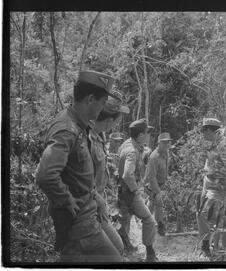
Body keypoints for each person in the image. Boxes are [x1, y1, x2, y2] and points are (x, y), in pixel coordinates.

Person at [35, 70, 123, 262]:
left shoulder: (79, 125)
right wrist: (66, 199)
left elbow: (78, 174)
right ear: (90, 99)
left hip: (87, 217)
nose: (103, 108)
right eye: (102, 102)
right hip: (79, 225)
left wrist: (94, 195)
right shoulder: (67, 129)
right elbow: (45, 175)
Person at [89, 91, 129, 255]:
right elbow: (80, 180)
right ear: (108, 121)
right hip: (90, 207)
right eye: (116, 121)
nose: (116, 125)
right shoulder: (87, 140)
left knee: (116, 247)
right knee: (115, 250)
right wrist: (100, 202)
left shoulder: (100, 136)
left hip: (98, 203)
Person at [196, 117, 226, 257]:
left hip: (218, 188)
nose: (203, 134)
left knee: (206, 215)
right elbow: (212, 162)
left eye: (204, 131)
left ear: (211, 130)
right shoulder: (213, 143)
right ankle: (208, 246)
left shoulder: (223, 145)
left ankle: (210, 248)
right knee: (202, 215)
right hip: (208, 183)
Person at [117, 118, 158, 262]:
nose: (148, 136)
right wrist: (135, 189)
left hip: (121, 190)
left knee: (124, 222)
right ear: (140, 135)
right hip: (129, 192)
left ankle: (124, 253)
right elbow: (127, 174)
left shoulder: (127, 144)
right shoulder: (133, 151)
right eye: (147, 133)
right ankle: (150, 253)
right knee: (149, 220)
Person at [144, 132, 172, 236]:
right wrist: (158, 191)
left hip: (161, 183)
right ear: (159, 143)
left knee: (155, 204)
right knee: (157, 201)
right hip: (151, 184)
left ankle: (155, 223)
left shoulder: (165, 153)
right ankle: (156, 224)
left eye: (167, 143)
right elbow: (151, 177)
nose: (166, 145)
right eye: (164, 143)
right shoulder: (154, 157)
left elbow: (166, 168)